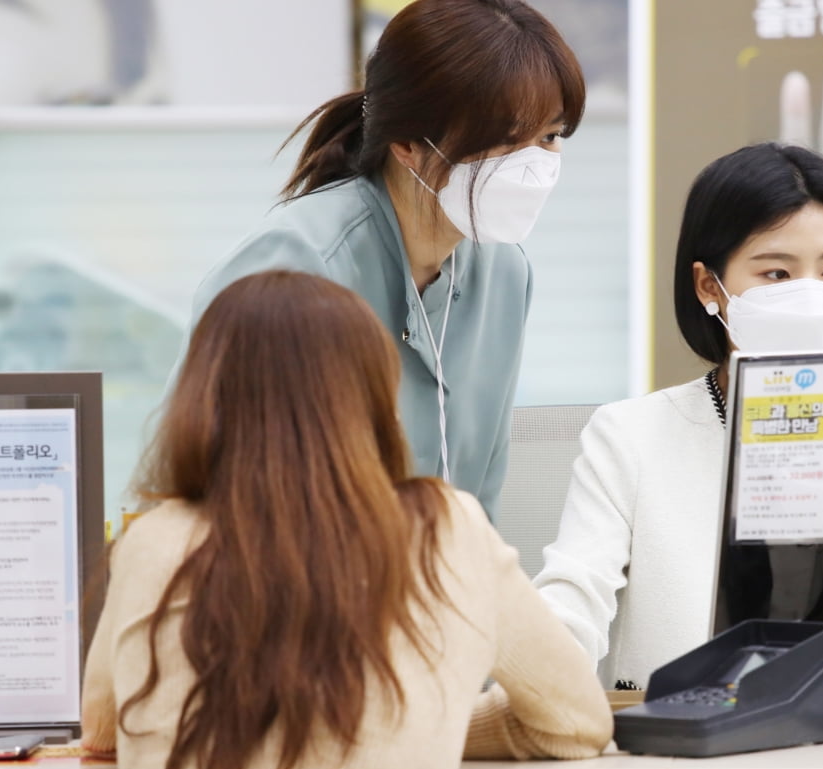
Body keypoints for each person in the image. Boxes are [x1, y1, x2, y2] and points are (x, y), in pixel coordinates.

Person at [81, 271, 611, 769]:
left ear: (203, 398)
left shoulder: (153, 543)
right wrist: (416, 727)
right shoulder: (446, 531)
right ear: (376, 397)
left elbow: (101, 730)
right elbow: (577, 721)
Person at [174, 0, 586, 521]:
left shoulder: (504, 272)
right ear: (408, 143)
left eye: (548, 137)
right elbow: (204, 493)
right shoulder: (295, 264)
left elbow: (479, 500)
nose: (531, 166)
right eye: (504, 141)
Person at [533, 143, 823, 699]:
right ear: (708, 286)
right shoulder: (630, 436)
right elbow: (570, 604)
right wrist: (542, 688)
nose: (811, 295)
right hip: (674, 742)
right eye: (777, 272)